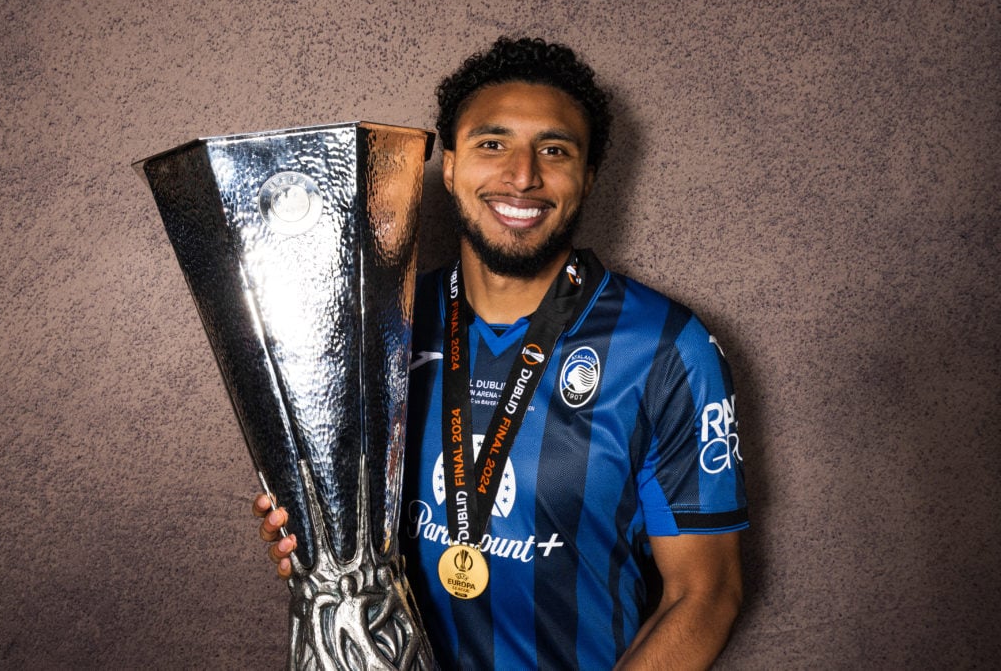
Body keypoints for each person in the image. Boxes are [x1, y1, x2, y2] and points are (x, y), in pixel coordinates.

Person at [255, 36, 748, 669]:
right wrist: (314, 540)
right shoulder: (376, 327)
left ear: (588, 176)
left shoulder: (666, 348)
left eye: (555, 149)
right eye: (493, 144)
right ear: (452, 165)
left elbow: (707, 593)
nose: (523, 175)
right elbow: (344, 542)